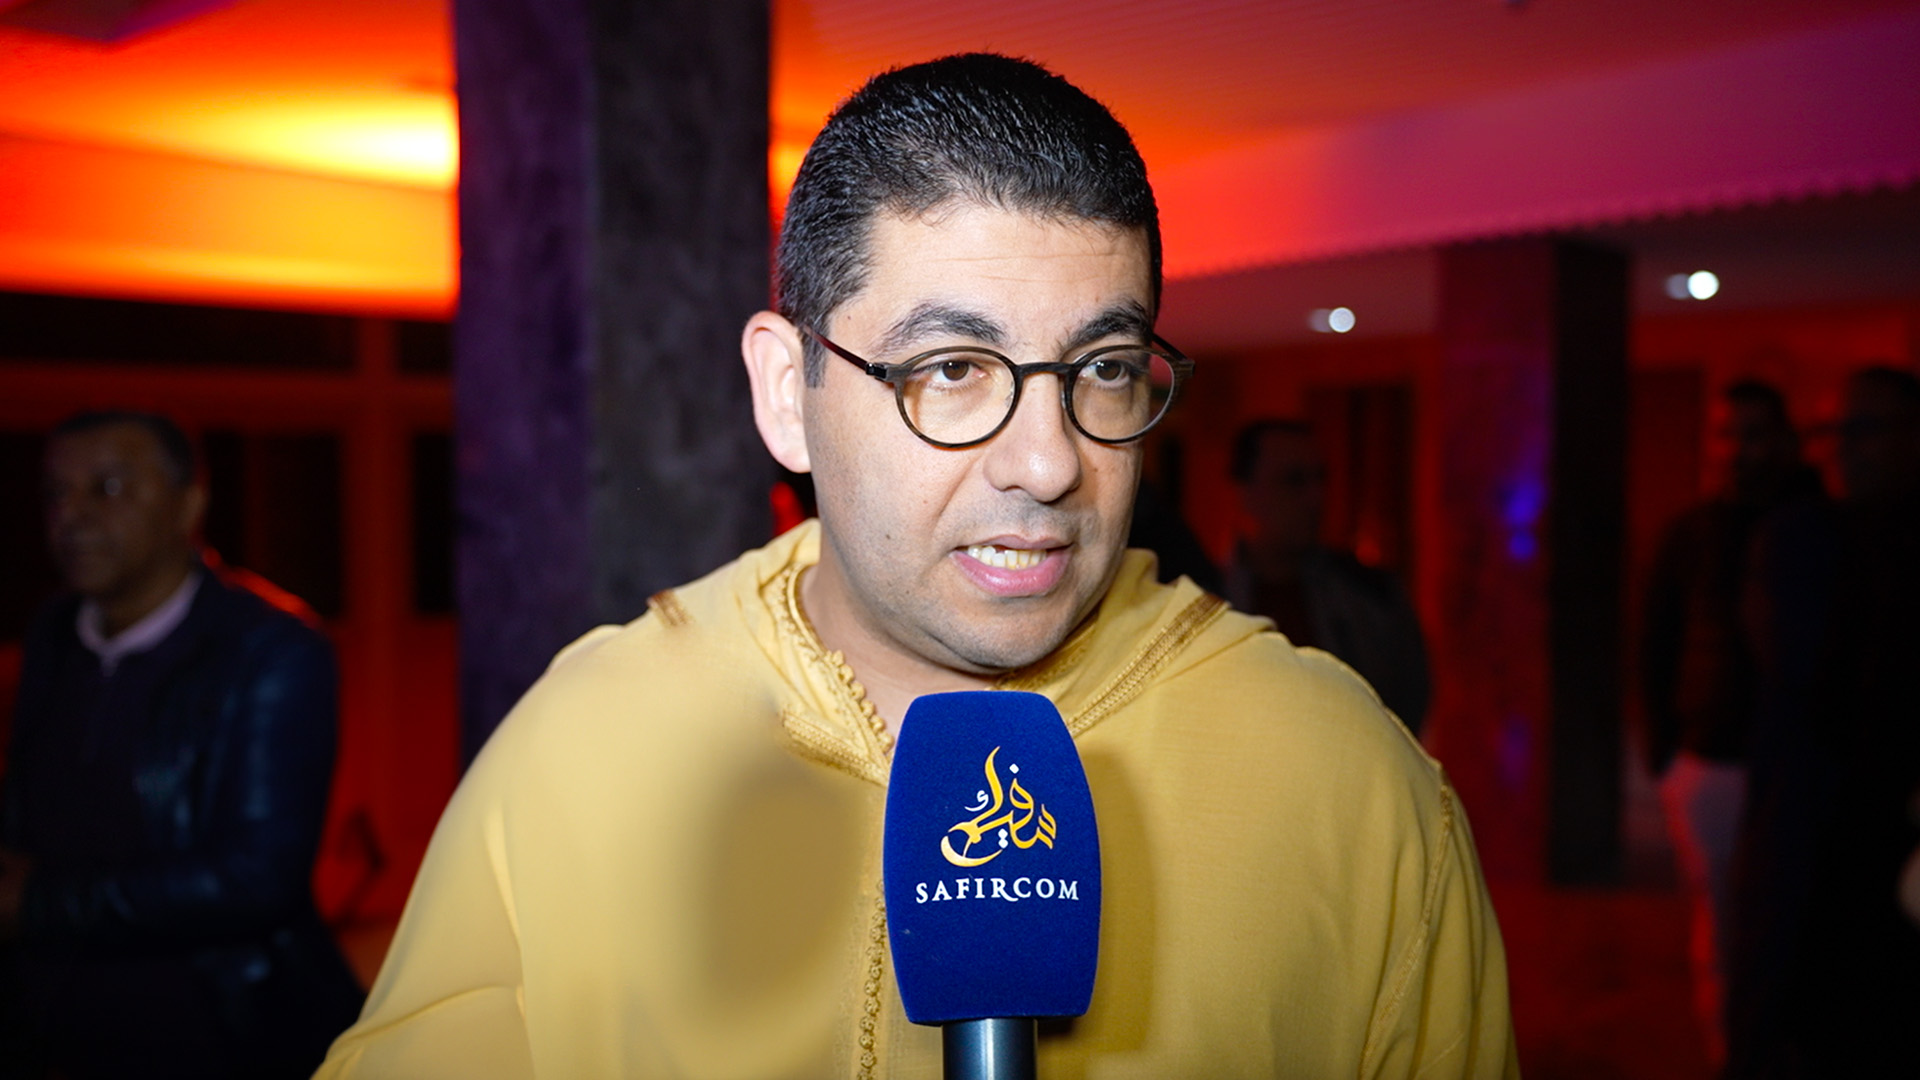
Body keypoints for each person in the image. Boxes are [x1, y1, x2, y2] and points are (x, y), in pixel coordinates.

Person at [317, 54, 1513, 1078]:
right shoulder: (589, 736)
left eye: (1103, 369)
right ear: (788, 393)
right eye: (951, 370)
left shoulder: (1347, 782)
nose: (1049, 464)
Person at [0, 412, 362, 1079]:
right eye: (55, 493)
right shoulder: (53, 632)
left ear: (188, 504)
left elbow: (257, 878)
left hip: (208, 1025)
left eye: (108, 488)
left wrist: (38, 903)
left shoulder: (269, 650)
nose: (71, 516)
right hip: (53, 1016)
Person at [1726, 366, 1920, 1078]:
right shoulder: (1802, 535)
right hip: (1814, 825)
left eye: (1864, 430)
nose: (1843, 448)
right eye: (1833, 430)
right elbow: (1802, 678)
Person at [1636, 379, 1820, 1065]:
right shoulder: (1690, 533)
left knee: (1787, 913)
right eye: (1727, 433)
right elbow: (1654, 642)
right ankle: (1727, 1050)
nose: (1740, 449)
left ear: (1784, 440)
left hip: (1793, 759)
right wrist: (1665, 752)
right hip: (1708, 755)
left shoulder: (1812, 526)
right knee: (1717, 915)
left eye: (1754, 433)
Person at [1225, 419, 1430, 732]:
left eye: (1320, 479)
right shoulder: (1210, 599)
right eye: (1293, 480)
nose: (1315, 498)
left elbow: (1406, 704)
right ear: (1246, 492)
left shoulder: (1370, 597)